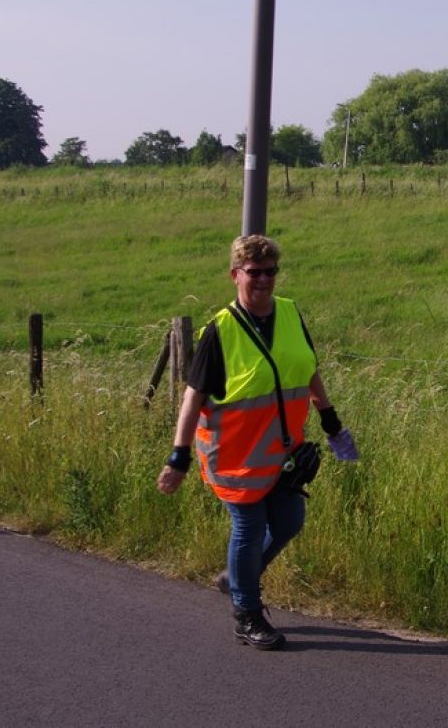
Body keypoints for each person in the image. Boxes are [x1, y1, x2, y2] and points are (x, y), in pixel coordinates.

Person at [157, 234, 359, 650]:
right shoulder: (221, 330)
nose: (264, 279)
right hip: (235, 455)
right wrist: (178, 457)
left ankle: (237, 577)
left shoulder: (289, 313)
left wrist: (330, 419)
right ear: (236, 275)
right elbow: (193, 397)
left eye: (270, 271)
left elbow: (307, 367)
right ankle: (246, 613)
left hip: (284, 451)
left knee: (288, 523)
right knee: (248, 528)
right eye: (254, 272)